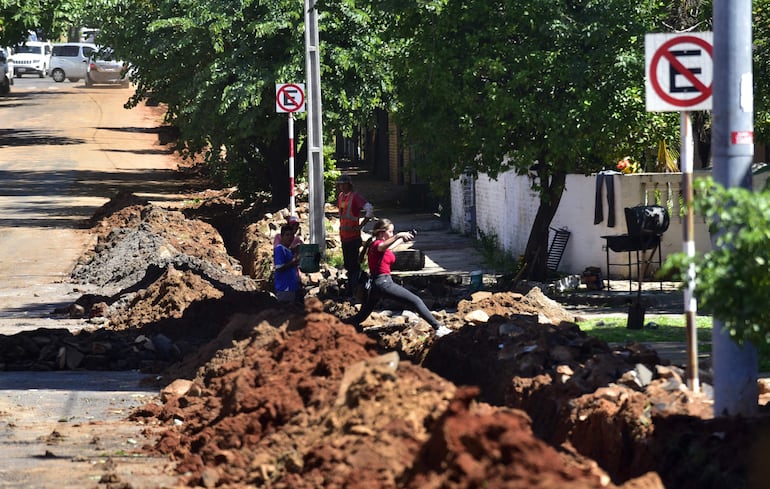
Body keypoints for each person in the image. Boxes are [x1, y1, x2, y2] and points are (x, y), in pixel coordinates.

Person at [344, 218, 452, 337]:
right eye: (390, 232)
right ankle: (438, 328)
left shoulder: (381, 246)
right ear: (381, 232)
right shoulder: (377, 245)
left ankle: (337, 327)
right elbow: (383, 246)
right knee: (416, 301)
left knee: (361, 316)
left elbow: (389, 247)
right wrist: (398, 236)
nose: (392, 234)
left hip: (376, 285)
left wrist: (403, 238)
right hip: (384, 283)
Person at [336, 174, 374, 297]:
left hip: (353, 237)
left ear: (349, 184)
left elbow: (369, 208)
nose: (341, 186)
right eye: (340, 184)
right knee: (348, 264)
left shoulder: (355, 197)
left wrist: (361, 225)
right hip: (344, 236)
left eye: (343, 184)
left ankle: (355, 288)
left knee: (353, 265)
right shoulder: (341, 196)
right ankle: (353, 287)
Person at [274, 224, 302, 302]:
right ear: (282, 236)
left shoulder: (288, 250)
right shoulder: (279, 249)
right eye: (287, 235)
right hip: (284, 288)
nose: (290, 237)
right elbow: (279, 267)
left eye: (292, 235)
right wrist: (294, 261)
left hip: (292, 287)